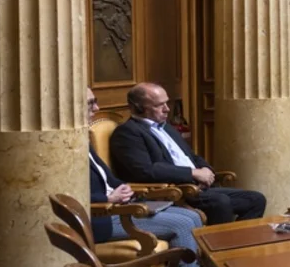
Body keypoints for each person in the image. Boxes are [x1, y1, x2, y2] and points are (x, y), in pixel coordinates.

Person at [110, 82, 268, 224]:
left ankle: (237, 247)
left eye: (167, 103)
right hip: (176, 191)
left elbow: (190, 156)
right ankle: (215, 250)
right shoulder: (128, 133)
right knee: (220, 202)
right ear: (139, 107)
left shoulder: (166, 127)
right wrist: (192, 173)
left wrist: (205, 169)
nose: (167, 109)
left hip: (198, 188)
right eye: (160, 105)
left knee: (255, 200)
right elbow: (146, 170)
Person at [86, 89, 204, 253]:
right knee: (184, 224)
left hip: (122, 205)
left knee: (193, 216)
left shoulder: (83, 141)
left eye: (96, 101)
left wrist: (125, 188)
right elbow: (65, 195)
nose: (97, 108)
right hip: (101, 216)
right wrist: (108, 197)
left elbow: (108, 179)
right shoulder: (65, 147)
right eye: (90, 103)